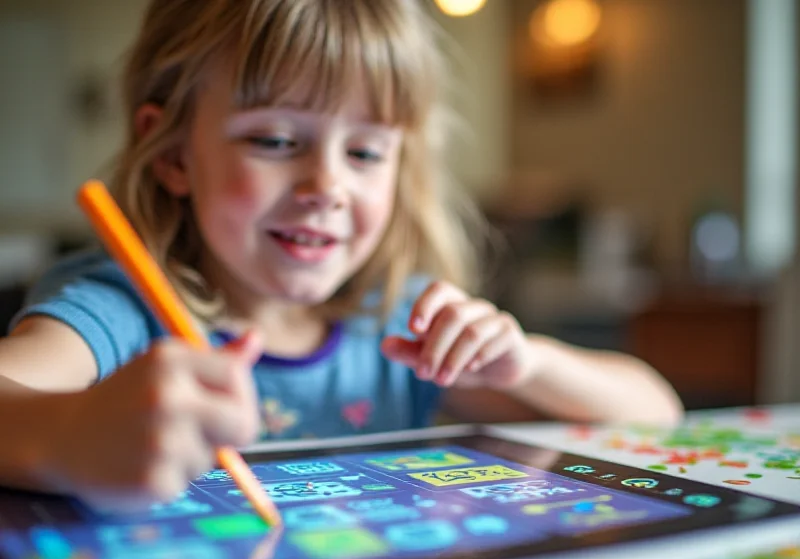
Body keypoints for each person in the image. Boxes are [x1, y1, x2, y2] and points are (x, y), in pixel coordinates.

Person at [0, 0, 682, 512]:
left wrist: (527, 362)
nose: (327, 187)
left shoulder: (394, 323)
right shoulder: (120, 310)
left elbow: (655, 414)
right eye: (273, 139)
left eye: (364, 152)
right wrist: (68, 435)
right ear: (176, 151)